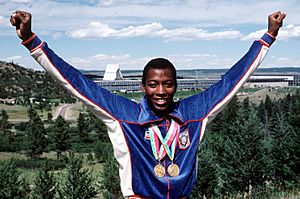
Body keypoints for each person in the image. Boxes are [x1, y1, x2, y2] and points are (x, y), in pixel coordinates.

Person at [10, 10, 286, 199]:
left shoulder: (193, 114)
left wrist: (267, 38)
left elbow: (231, 81)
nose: (161, 91)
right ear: (143, 87)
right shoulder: (124, 115)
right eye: (153, 84)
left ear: (176, 85)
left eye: (168, 83)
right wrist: (31, 41)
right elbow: (78, 83)